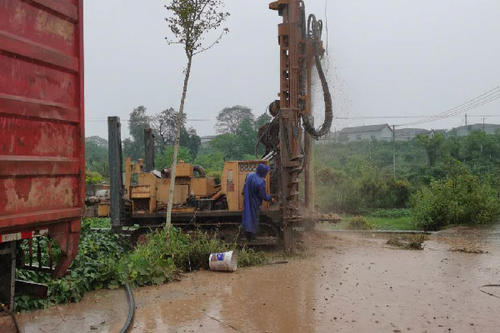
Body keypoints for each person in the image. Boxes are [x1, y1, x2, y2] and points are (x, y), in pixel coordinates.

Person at [242, 164, 273, 241]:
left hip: (247, 200)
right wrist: (270, 198)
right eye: (266, 172)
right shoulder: (261, 182)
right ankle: (252, 238)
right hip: (254, 203)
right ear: (263, 172)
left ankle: (247, 236)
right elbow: (262, 195)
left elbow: (245, 186)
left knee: (247, 217)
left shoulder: (249, 175)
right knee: (254, 219)